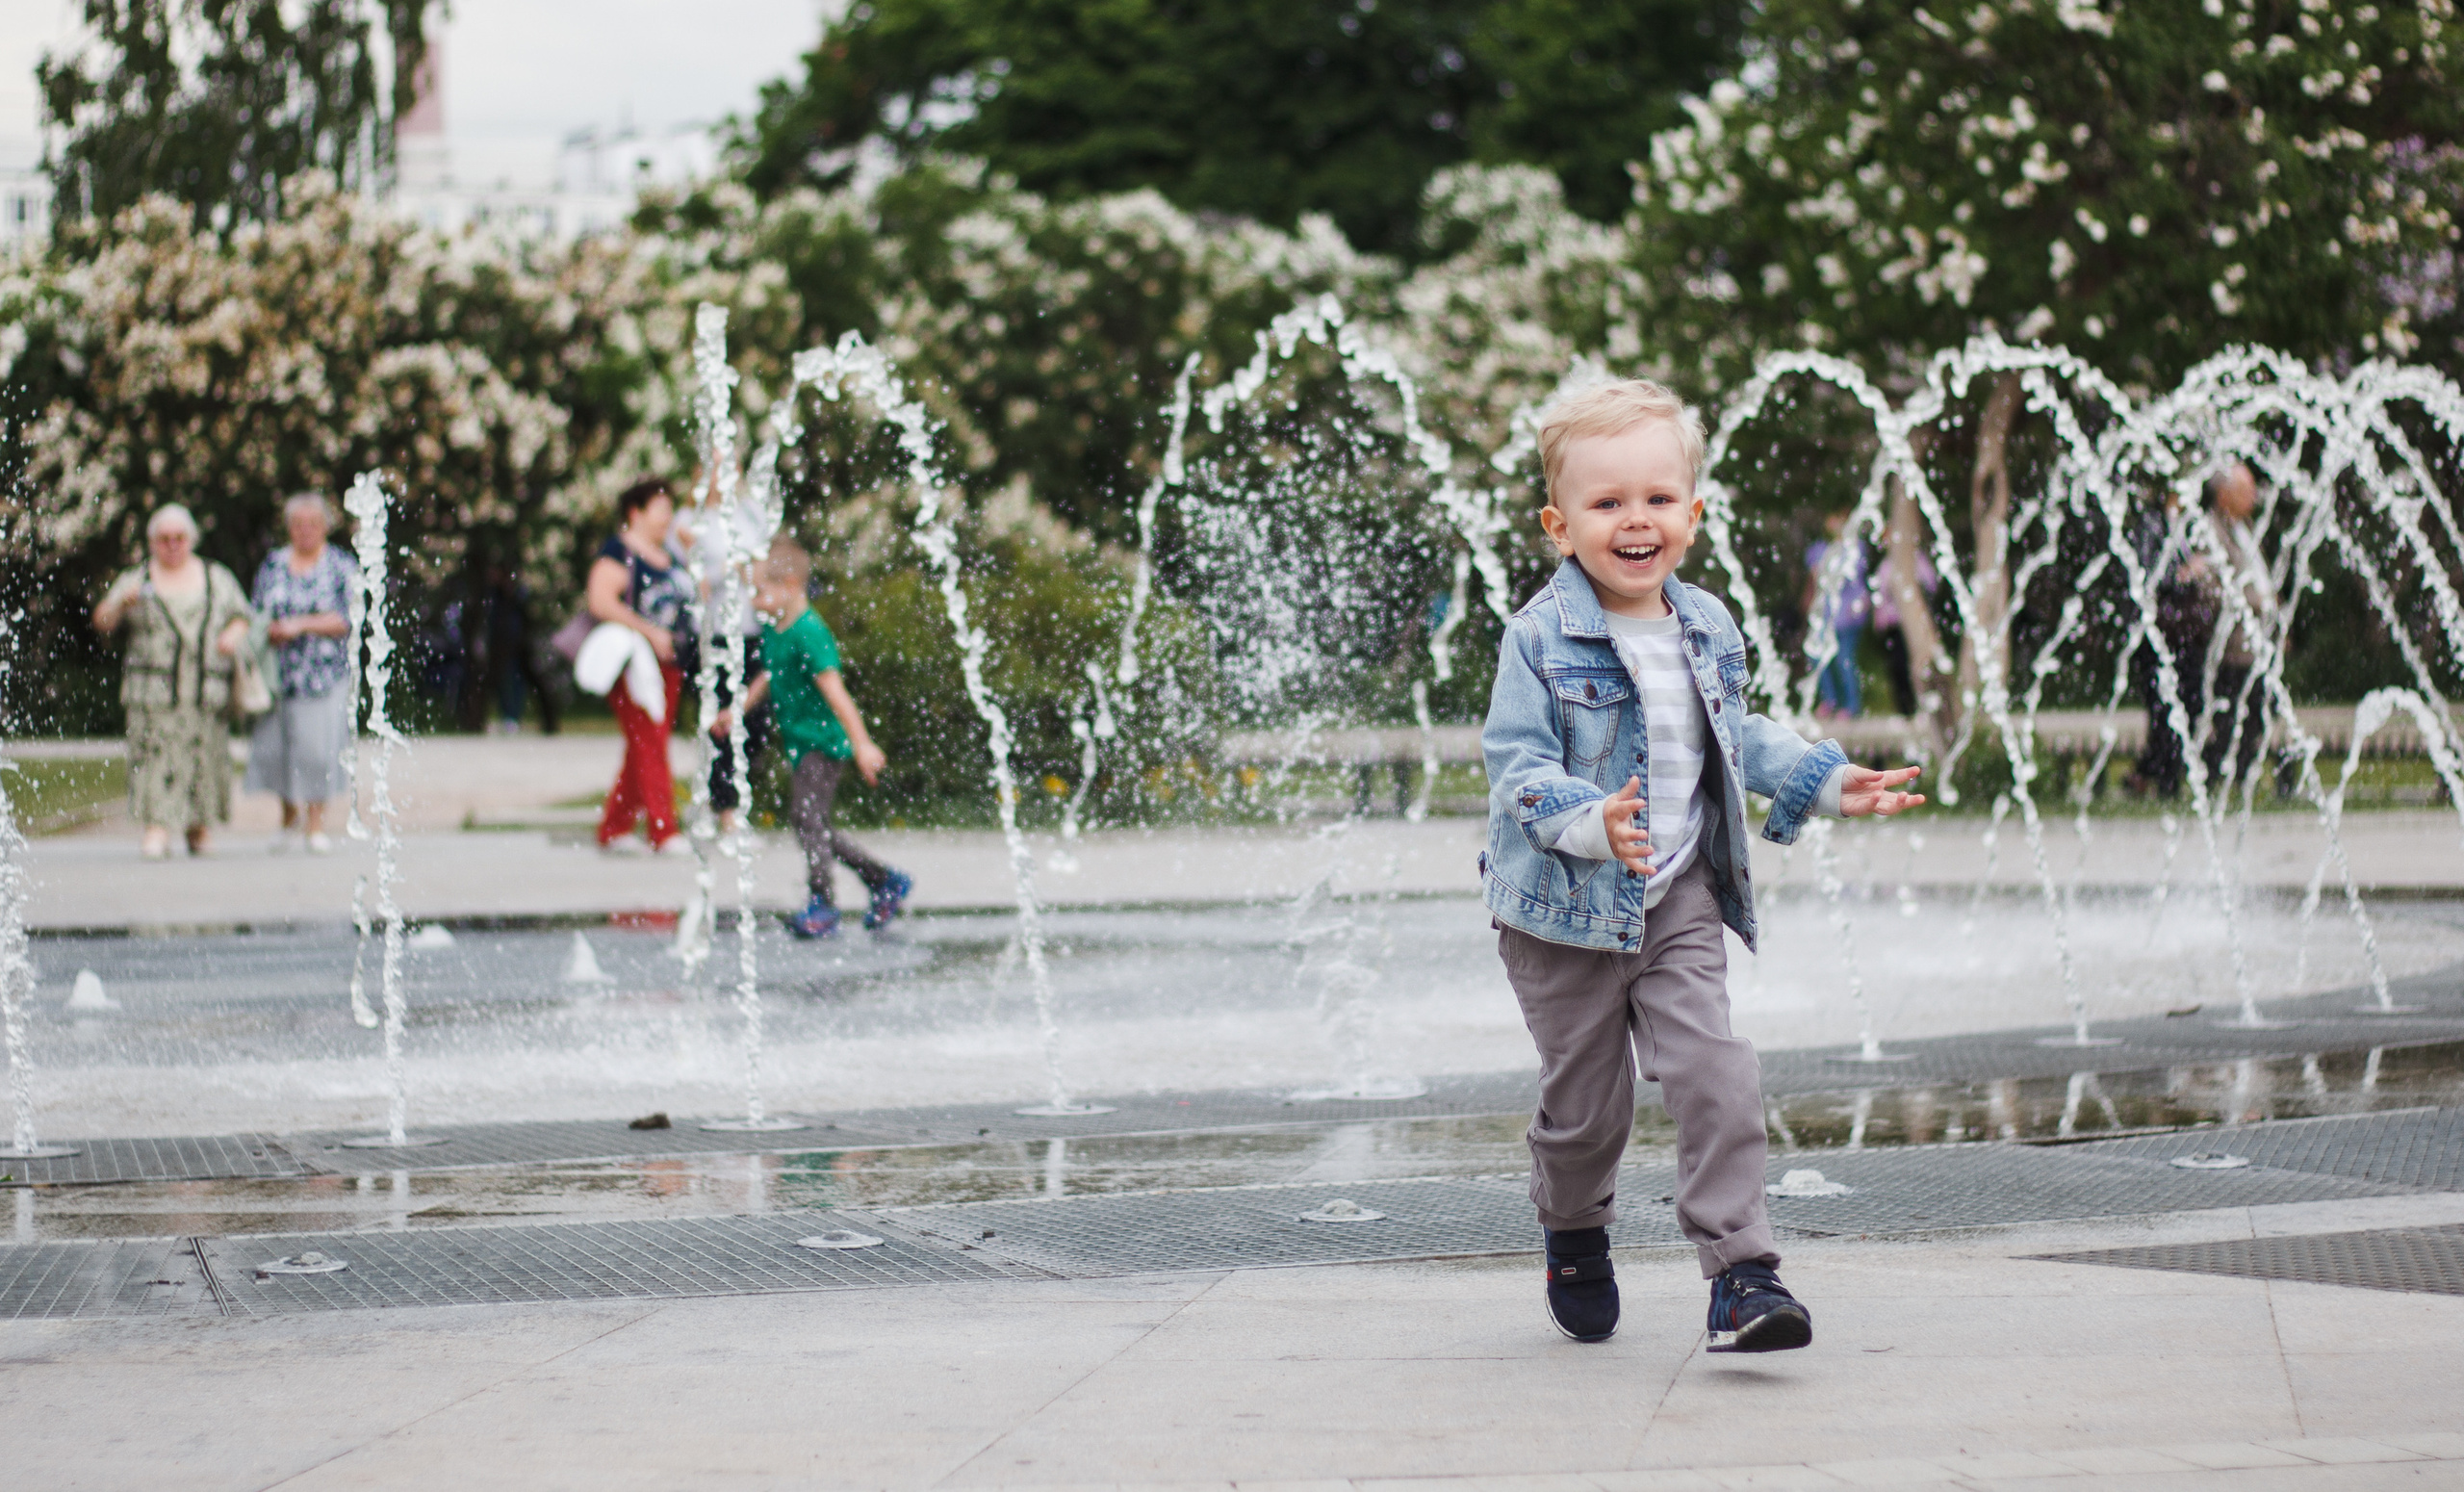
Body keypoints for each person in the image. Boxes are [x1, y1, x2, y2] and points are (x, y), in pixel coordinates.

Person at [1482, 379, 1924, 1350]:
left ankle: (1743, 1273)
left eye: (1655, 497)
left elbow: (1738, 730)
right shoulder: (1536, 637)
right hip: (1562, 913)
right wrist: (1588, 818)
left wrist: (1823, 777)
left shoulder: (1707, 624)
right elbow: (1518, 766)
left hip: (1677, 893)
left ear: (1692, 510)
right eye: (1605, 503)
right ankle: (1573, 1228)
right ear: (1560, 525)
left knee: (1716, 1070)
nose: (1634, 519)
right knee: (1585, 1112)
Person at [713, 537, 911, 939]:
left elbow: (836, 693)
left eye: (760, 591)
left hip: (822, 743)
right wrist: (739, 709)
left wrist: (862, 744)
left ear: (790, 585)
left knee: (807, 820)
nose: (753, 601)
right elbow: (770, 674)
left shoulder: (810, 633)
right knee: (813, 823)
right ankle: (884, 880)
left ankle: (824, 904)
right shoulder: (777, 629)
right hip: (802, 742)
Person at [91, 504, 256, 859]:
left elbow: (243, 616)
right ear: (152, 542)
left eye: (179, 538)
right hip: (153, 692)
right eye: (163, 539)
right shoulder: (137, 580)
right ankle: (157, 828)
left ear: (191, 539)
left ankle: (199, 828)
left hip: (204, 689)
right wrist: (121, 602)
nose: (172, 545)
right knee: (154, 757)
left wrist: (232, 635)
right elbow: (103, 621)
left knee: (204, 757)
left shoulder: (216, 577)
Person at [244, 494, 357, 854]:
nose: (305, 531)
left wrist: (299, 625)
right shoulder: (274, 564)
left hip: (323, 677)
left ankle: (316, 823)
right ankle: (287, 816)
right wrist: (269, 630)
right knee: (277, 749)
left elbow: (348, 618)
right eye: (298, 524)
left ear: (325, 527)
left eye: (313, 523)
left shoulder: (340, 565)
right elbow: (256, 611)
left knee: (317, 751)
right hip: (278, 676)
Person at [586, 478, 694, 853]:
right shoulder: (619, 551)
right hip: (635, 666)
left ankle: (614, 827)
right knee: (650, 742)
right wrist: (649, 632)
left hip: (671, 664)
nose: (668, 517)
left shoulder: (672, 554)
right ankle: (664, 829)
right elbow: (600, 601)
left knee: (645, 744)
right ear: (636, 512)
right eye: (661, 508)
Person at [1801, 511, 1869, 719]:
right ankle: (1828, 701)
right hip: (1825, 614)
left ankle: (1851, 706)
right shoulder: (1818, 550)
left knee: (1844, 659)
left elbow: (1856, 579)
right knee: (1817, 657)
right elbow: (1814, 581)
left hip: (1847, 614)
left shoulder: (1854, 548)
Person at [1869, 540, 1936, 718]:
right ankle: (1904, 708)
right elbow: (1879, 597)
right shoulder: (1886, 565)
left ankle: (1921, 705)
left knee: (1917, 664)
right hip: (1892, 626)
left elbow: (1930, 585)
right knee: (1896, 666)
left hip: (1911, 624)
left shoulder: (1917, 561)